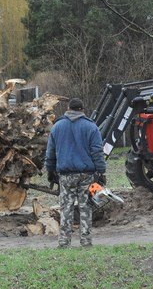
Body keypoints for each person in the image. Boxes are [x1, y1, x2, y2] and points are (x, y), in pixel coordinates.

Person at [45, 97, 107, 248]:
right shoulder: (91, 127)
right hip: (86, 175)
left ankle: (64, 242)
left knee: (66, 207)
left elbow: (50, 152)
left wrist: (50, 171)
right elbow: (97, 152)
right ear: (82, 109)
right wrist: (101, 171)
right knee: (86, 207)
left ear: (68, 108)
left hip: (66, 175)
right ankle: (86, 241)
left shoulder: (57, 127)